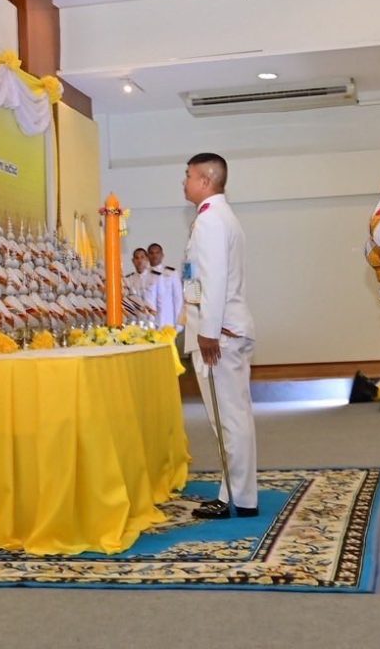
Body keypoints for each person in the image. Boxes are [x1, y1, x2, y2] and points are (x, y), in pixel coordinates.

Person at [182, 152, 257, 520]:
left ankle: (236, 498)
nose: (184, 183)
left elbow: (213, 280)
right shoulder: (221, 216)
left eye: (188, 176)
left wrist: (208, 332)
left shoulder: (211, 219)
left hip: (219, 335)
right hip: (226, 329)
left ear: (205, 180)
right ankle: (239, 494)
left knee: (228, 418)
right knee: (233, 415)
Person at [147, 242, 184, 335]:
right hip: (148, 323)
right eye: (151, 253)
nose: (154, 255)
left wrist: (179, 323)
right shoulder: (144, 274)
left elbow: (178, 299)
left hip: (168, 321)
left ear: (162, 255)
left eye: (157, 253)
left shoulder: (171, 272)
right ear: (147, 256)